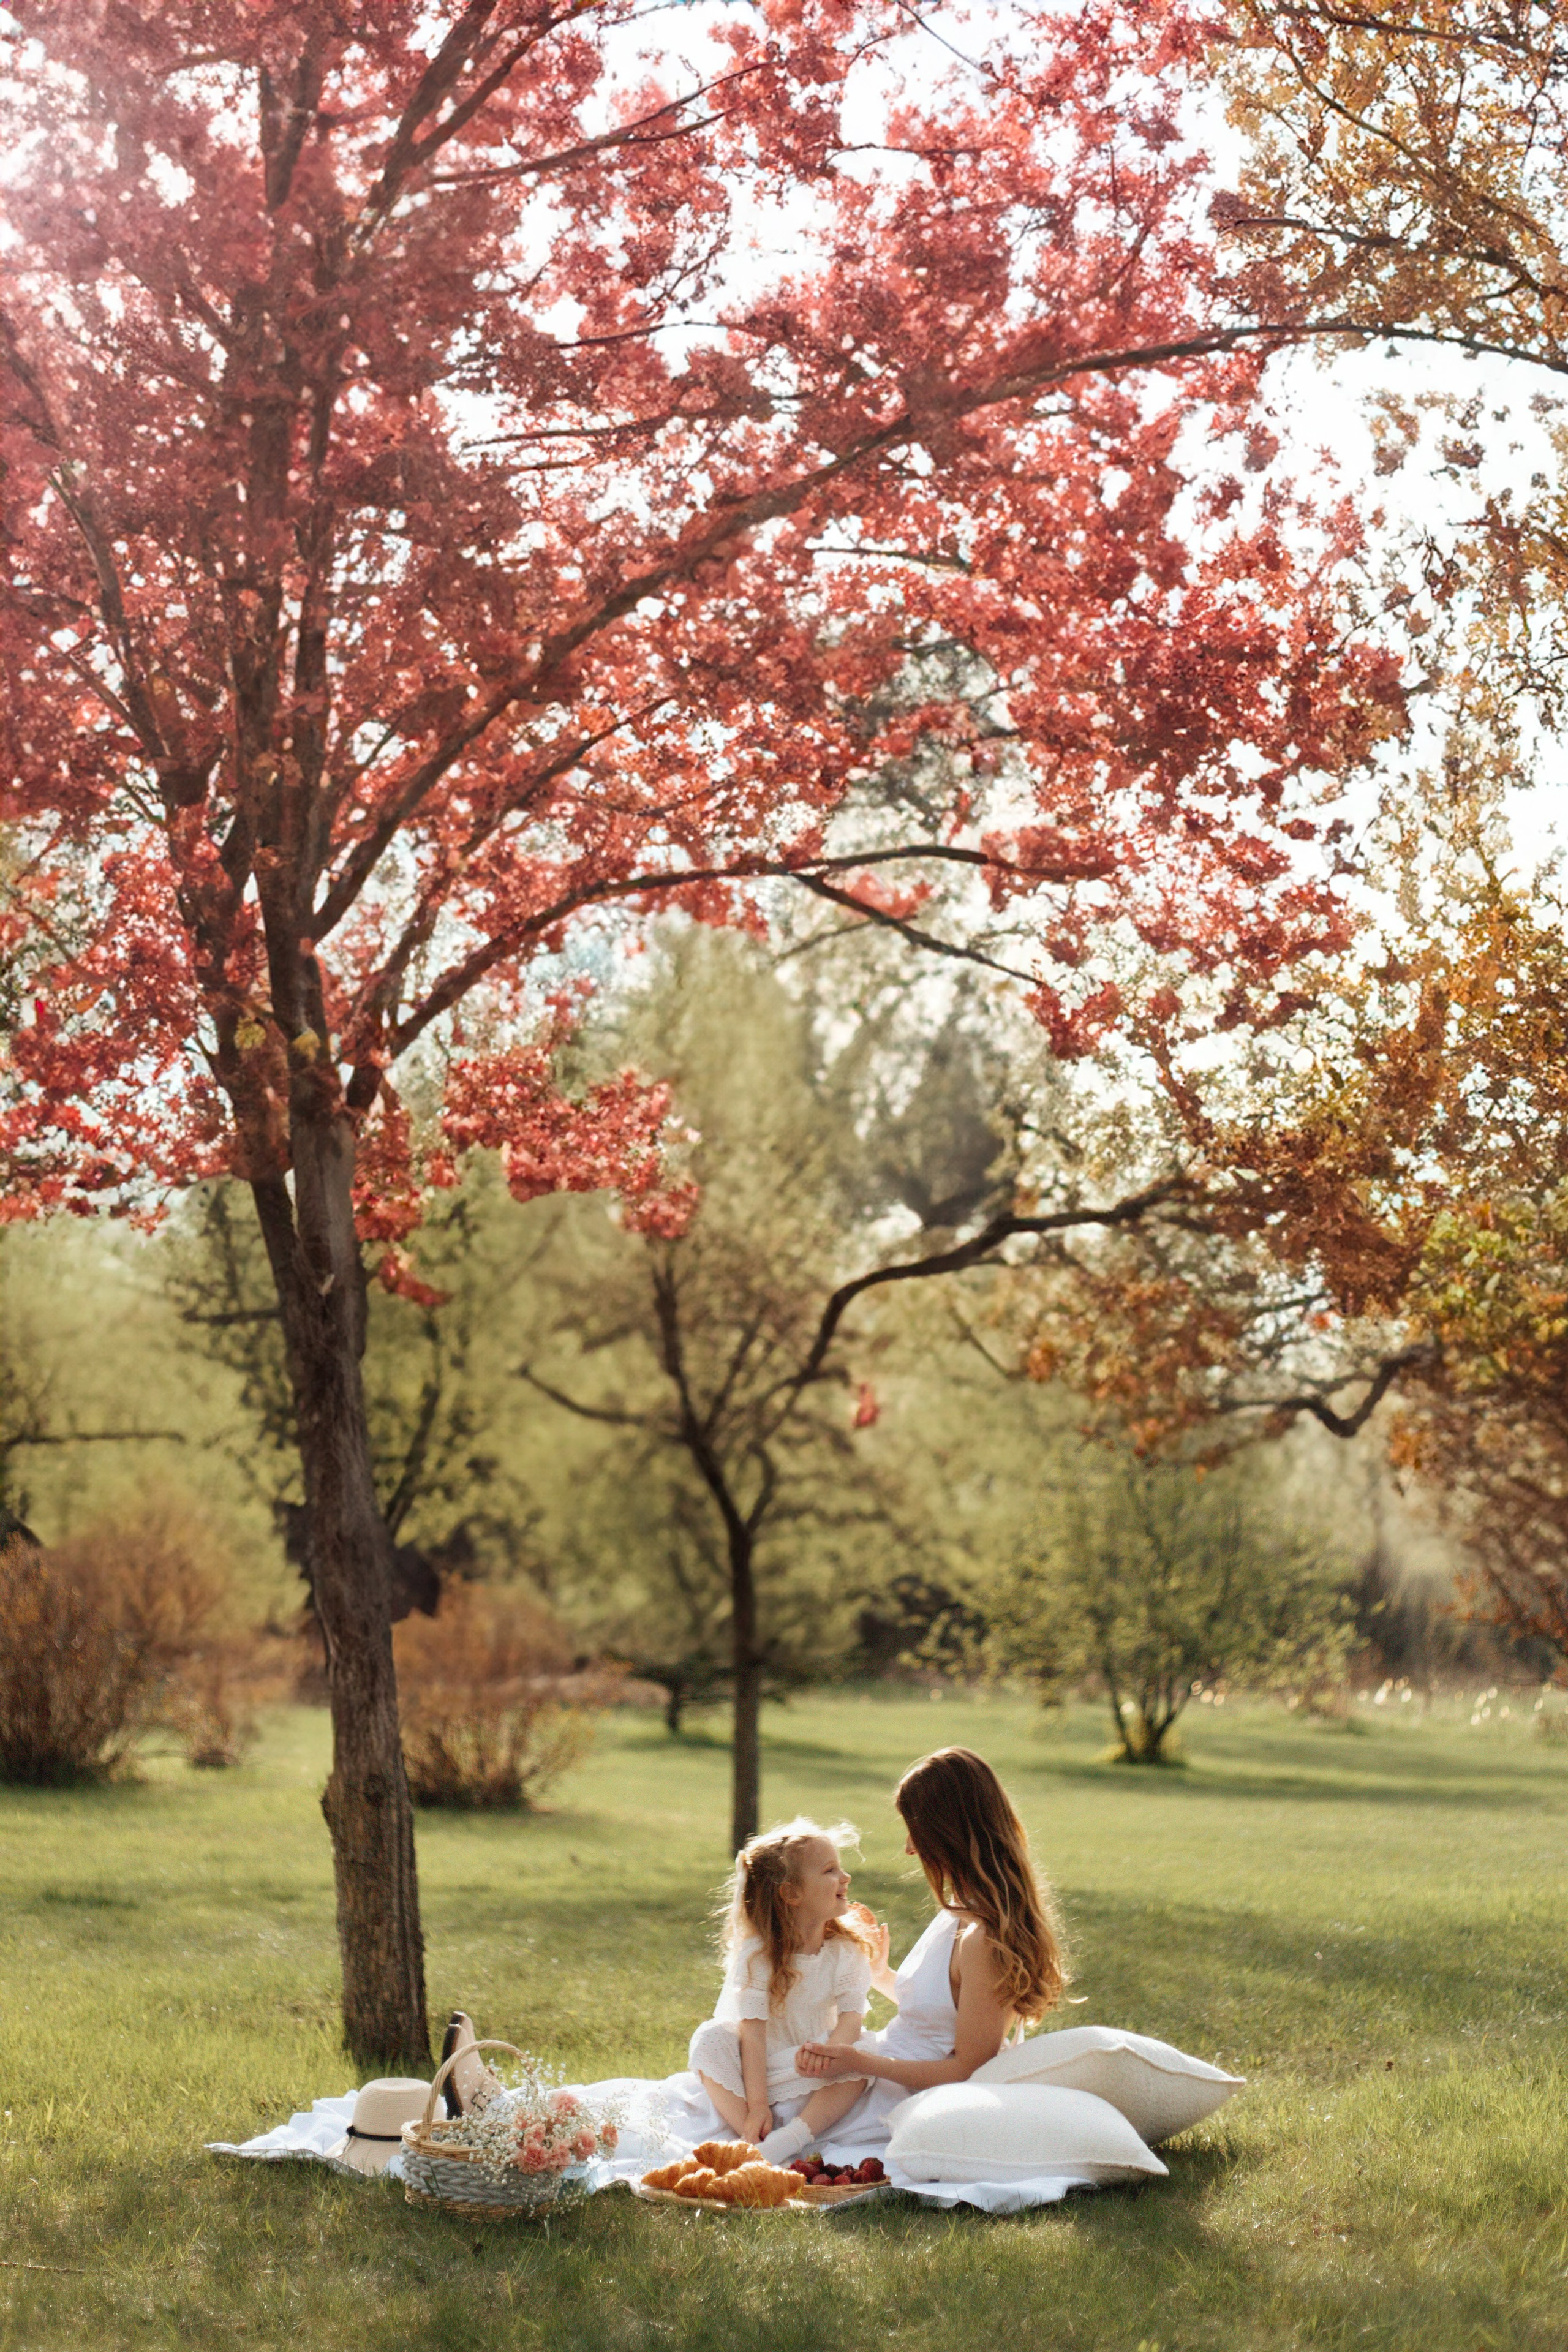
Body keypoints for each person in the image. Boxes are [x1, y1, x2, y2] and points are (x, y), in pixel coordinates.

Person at [793, 1746, 1066, 2135]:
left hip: (905, 2095)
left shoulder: (983, 1939)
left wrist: (859, 2062)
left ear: (947, 1833)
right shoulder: (962, 1907)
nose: (909, 1847)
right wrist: (879, 1973)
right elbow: (940, 2018)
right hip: (885, 2069)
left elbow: (966, 2070)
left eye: (915, 1830)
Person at [687, 1816, 876, 2163]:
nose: (845, 1877)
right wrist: (758, 2103)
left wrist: (830, 2052)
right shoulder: (758, 1955)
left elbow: (852, 2017)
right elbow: (753, 2035)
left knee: (865, 2048)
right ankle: (753, 2129)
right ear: (792, 1893)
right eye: (830, 1870)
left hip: (815, 2068)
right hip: (761, 2073)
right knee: (709, 2039)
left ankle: (790, 2137)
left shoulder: (845, 1951)